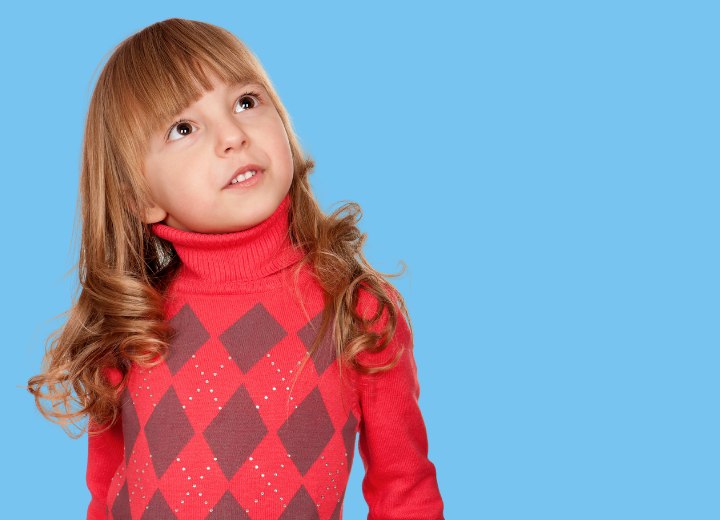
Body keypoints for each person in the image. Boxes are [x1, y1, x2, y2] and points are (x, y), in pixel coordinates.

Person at [26, 17, 444, 520]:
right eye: (184, 128)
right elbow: (105, 494)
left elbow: (405, 490)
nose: (233, 136)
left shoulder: (356, 311)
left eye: (246, 102)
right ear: (138, 196)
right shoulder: (130, 322)